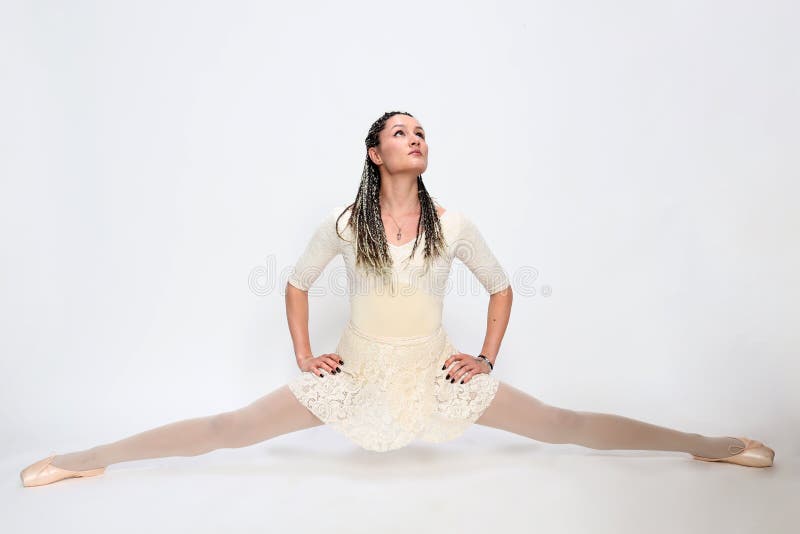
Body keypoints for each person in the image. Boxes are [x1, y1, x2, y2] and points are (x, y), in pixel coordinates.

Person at [20, 111, 774, 487]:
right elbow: (295, 282)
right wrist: (304, 356)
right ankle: (89, 458)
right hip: (354, 372)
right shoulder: (350, 223)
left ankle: (712, 445)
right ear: (375, 153)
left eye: (421, 132)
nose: (416, 139)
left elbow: (503, 287)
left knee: (562, 424)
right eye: (400, 132)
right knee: (230, 427)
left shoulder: (455, 224)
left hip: (434, 370)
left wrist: (482, 357)